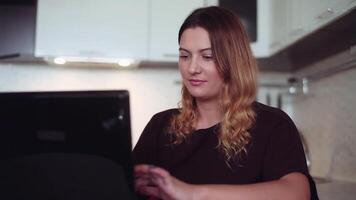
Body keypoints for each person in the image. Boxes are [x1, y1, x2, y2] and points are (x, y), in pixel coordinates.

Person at [133, 6, 318, 200]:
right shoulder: (160, 125)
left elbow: (297, 193)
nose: (192, 68)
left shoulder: (273, 125)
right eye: (184, 56)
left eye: (207, 56)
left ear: (233, 61)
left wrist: (192, 194)